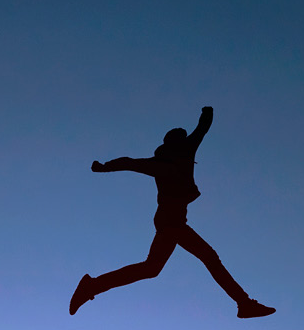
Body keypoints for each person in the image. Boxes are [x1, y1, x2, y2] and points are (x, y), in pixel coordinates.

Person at [70, 106, 275, 318]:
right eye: (181, 137)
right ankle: (243, 303)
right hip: (171, 222)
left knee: (152, 268)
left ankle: (92, 286)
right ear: (173, 142)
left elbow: (201, 130)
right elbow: (130, 163)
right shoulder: (164, 162)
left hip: (173, 222)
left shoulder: (184, 152)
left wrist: (207, 115)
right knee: (208, 257)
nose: (186, 140)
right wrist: (104, 167)